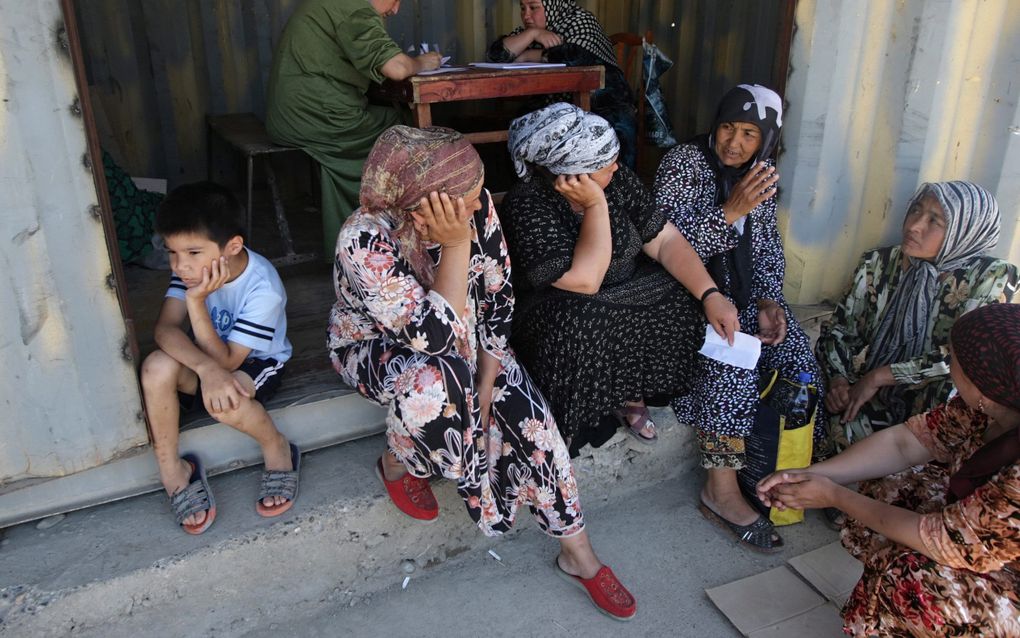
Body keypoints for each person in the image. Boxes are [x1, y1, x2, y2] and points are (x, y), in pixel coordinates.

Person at [328, 125, 637, 620]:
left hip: (469, 338)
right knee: (437, 388)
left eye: (478, 196)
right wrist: (455, 246)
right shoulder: (365, 241)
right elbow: (432, 338)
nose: (478, 208)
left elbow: (497, 297)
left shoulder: (478, 205)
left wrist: (491, 378)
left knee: (531, 419)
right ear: (420, 201)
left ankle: (578, 553)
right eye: (465, 203)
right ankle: (396, 459)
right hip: (380, 349)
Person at [757, 302, 1020, 637]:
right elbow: (907, 443)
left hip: (1001, 572)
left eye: (953, 358)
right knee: (893, 488)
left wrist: (833, 495)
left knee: (916, 580)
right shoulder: (989, 405)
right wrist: (817, 474)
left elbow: (944, 541)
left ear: (982, 382)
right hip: (971, 534)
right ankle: (880, 613)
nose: (948, 364)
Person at [500, 102, 739, 454]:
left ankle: (629, 388)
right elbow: (585, 281)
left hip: (619, 287)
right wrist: (596, 206)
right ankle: (580, 410)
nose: (616, 166)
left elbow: (665, 239)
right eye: (603, 164)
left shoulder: (617, 180)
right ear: (569, 174)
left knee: (681, 290)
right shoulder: (528, 204)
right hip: (558, 307)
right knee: (585, 318)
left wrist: (710, 294)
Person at [654, 84, 822, 552]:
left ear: (766, 139)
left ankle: (782, 473)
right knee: (732, 365)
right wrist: (730, 212)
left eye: (750, 133)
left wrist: (769, 301)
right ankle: (720, 491)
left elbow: (765, 245)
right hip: (684, 299)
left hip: (743, 295)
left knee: (795, 354)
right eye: (728, 127)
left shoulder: (760, 173)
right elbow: (662, 249)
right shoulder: (682, 164)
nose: (734, 143)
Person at [142, 182, 299, 534]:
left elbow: (229, 362)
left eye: (193, 253)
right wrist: (203, 368)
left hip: (256, 363)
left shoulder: (263, 288)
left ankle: (276, 446)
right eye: (172, 252)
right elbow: (165, 329)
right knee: (156, 366)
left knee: (224, 402)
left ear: (232, 247)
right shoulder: (192, 269)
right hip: (209, 361)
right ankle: (172, 471)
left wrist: (196, 303)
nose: (180, 265)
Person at [816, 181, 1018, 452]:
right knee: (822, 425)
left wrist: (879, 377)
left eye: (935, 221)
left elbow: (960, 357)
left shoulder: (992, 276)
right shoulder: (878, 264)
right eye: (916, 210)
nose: (914, 226)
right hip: (874, 395)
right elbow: (840, 331)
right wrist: (838, 381)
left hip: (941, 404)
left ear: (965, 231)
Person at [266, 0, 442, 256]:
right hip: (315, 118)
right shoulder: (355, 8)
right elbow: (397, 68)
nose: (395, 10)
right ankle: (383, 240)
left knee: (392, 118)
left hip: (291, 116)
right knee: (405, 131)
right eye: (395, 0)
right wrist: (421, 63)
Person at [487, 0, 638, 168]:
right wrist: (533, 34)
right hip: (560, 105)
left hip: (604, 104)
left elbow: (578, 56)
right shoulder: (531, 32)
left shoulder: (580, 20)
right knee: (519, 127)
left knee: (610, 143)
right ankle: (538, 188)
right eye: (522, 8)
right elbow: (496, 55)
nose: (526, 15)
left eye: (533, 7)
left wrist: (530, 54)